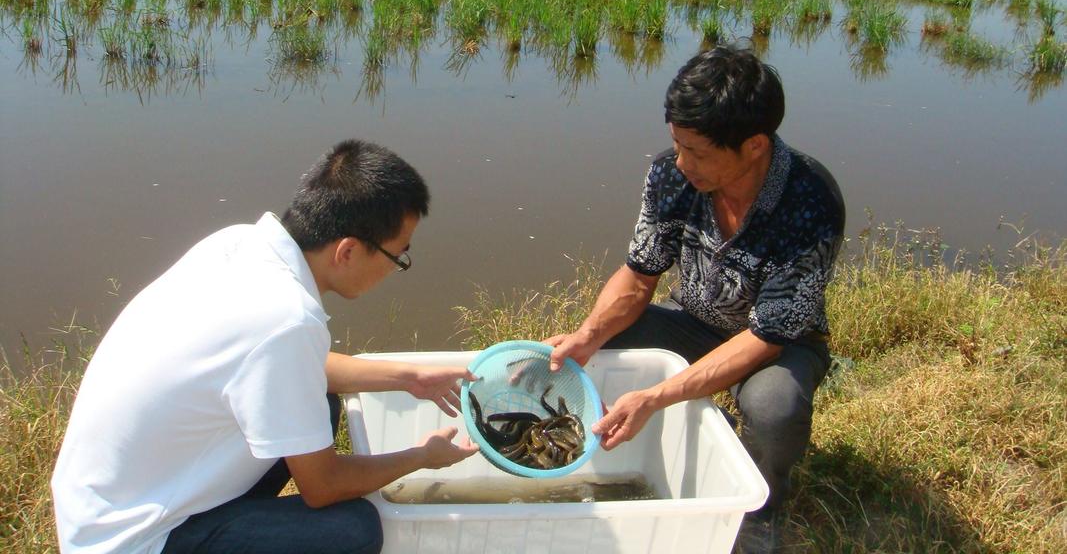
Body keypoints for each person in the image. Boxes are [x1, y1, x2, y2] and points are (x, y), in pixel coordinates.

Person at [52, 139, 480, 554]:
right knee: (355, 529)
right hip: (134, 540)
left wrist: (411, 378)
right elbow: (323, 487)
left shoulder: (239, 244)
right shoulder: (286, 319)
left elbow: (296, 367)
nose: (397, 269)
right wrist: (422, 457)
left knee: (321, 403)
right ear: (348, 251)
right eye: (397, 257)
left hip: (100, 503)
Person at [547, 45, 844, 554]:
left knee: (774, 406)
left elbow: (767, 337)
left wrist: (658, 394)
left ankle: (760, 509)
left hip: (777, 344)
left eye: (699, 153)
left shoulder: (809, 201)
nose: (682, 164)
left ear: (753, 146)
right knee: (607, 341)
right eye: (677, 146)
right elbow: (639, 276)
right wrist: (587, 336)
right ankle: (692, 432)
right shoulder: (671, 175)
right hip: (694, 322)